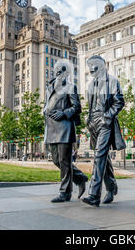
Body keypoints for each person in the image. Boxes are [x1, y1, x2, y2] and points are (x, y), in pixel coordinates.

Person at [82, 55, 126, 207]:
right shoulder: (91, 84)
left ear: (101, 65)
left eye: (93, 65)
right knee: (103, 156)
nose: (90, 68)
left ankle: (94, 195)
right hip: (93, 123)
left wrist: (107, 116)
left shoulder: (112, 81)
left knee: (99, 156)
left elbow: (119, 102)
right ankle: (112, 186)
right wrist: (88, 120)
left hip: (106, 122)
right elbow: (90, 105)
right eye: (89, 65)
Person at [44, 59, 88, 203]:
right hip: (51, 128)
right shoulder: (49, 88)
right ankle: (80, 178)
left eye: (62, 69)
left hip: (64, 128)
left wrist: (64, 113)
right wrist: (44, 110)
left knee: (64, 161)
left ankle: (65, 192)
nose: (58, 71)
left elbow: (77, 107)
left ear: (67, 73)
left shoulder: (70, 87)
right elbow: (48, 104)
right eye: (56, 69)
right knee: (57, 160)